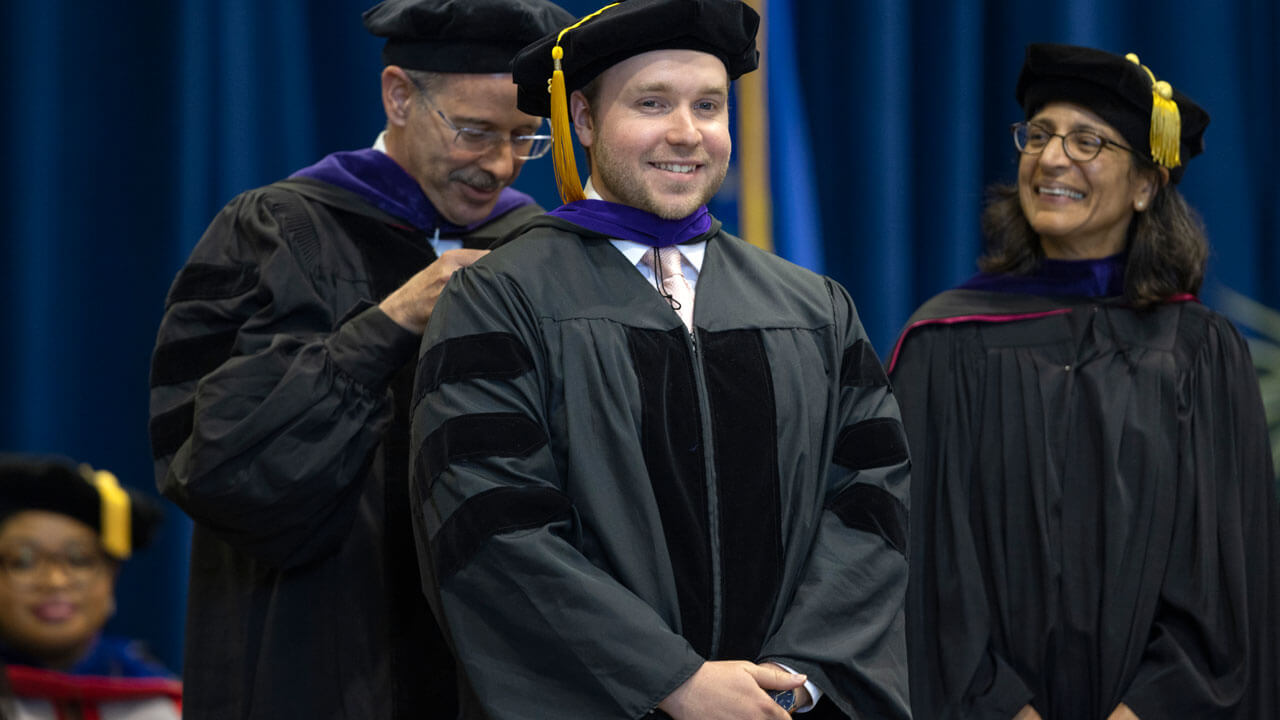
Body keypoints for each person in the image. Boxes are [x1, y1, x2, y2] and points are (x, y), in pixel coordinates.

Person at [407, 1, 912, 718]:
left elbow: (871, 504)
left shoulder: (812, 309)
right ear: (582, 119)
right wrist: (672, 681)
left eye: (708, 105)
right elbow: (491, 528)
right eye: (652, 103)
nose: (686, 133)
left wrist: (799, 672)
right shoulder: (501, 300)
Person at [146, 0, 574, 717]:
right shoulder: (278, 234)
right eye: (474, 131)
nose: (499, 165)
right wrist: (389, 323)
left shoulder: (539, 251)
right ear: (400, 94)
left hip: (496, 673)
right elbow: (216, 464)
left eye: (525, 138)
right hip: (315, 660)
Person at [889, 43, 1280, 720]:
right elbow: (923, 566)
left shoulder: (1200, 355)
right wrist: (999, 706)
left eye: (1087, 141)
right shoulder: (945, 344)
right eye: (1037, 135)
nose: (1051, 158)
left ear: (1145, 185)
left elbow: (1227, 581)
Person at [0, 456, 179, 720]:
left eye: (80, 560)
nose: (55, 581)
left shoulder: (160, 702)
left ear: (111, 577)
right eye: (23, 561)